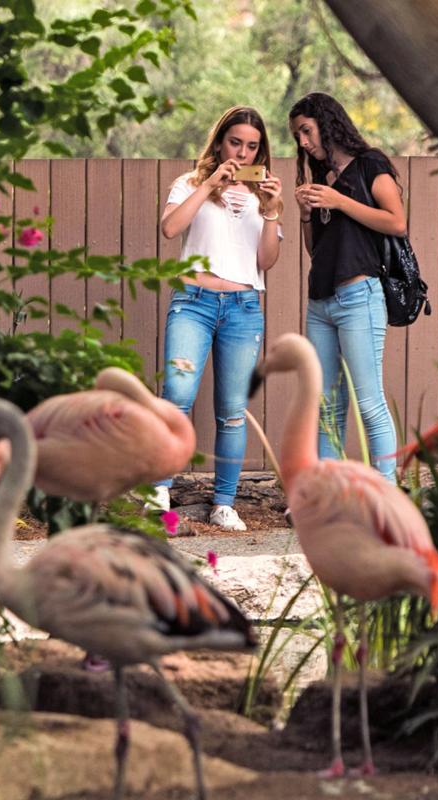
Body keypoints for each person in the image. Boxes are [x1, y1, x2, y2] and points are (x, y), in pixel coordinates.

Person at [153, 106, 284, 531]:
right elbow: (170, 229)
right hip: (193, 302)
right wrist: (209, 181)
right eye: (235, 143)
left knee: (231, 410)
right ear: (220, 142)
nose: (243, 154)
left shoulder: (262, 196)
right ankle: (158, 490)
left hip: (243, 310)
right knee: (177, 393)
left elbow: (267, 260)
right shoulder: (189, 182)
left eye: (252, 146)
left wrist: (272, 212)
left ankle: (224, 502)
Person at [288, 92, 406, 482]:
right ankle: (328, 493)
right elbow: (315, 250)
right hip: (320, 301)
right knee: (327, 406)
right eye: (298, 136)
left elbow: (396, 221)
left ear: (327, 122)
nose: (303, 142)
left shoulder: (371, 164)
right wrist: (307, 215)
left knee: (369, 403)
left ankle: (387, 492)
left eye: (306, 131)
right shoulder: (320, 178)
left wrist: (339, 200)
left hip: (360, 297)